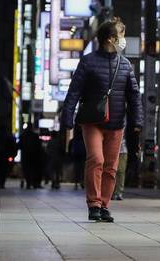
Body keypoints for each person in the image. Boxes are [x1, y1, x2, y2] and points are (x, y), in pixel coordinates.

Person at [61, 17, 143, 223]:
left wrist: (137, 121)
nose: (123, 39)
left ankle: (104, 204)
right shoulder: (88, 62)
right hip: (92, 121)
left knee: (111, 166)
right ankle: (94, 204)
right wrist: (68, 117)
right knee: (96, 160)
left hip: (116, 123)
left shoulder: (125, 65)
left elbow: (134, 96)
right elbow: (74, 91)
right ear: (110, 38)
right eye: (121, 35)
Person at [68, 125, 86, 190]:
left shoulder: (74, 140)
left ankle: (76, 183)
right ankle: (82, 182)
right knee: (83, 168)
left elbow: (70, 148)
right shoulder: (84, 139)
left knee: (76, 168)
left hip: (76, 154)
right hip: (83, 153)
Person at [112, 134, 128, 201]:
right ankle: (112, 192)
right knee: (112, 171)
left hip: (123, 150)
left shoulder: (126, 124)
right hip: (112, 149)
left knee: (121, 171)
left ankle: (119, 193)